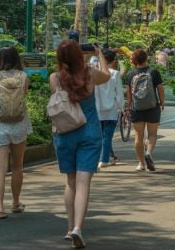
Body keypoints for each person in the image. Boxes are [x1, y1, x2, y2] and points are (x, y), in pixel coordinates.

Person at [50, 40, 111, 249]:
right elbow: (108, 74)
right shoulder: (90, 73)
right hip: (90, 132)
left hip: (66, 132)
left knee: (70, 182)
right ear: (79, 56)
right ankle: (78, 228)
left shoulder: (55, 78)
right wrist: (99, 53)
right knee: (84, 183)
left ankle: (68, 228)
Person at [0, 46, 31, 219]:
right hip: (19, 123)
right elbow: (24, 93)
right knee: (17, 166)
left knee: (0, 168)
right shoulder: (23, 76)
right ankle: (16, 202)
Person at [124, 49, 164, 172]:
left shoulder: (130, 74)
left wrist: (129, 106)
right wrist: (162, 102)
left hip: (137, 108)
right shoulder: (153, 72)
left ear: (135, 60)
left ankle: (141, 163)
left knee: (138, 136)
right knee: (152, 134)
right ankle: (148, 153)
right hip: (152, 107)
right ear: (146, 58)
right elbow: (160, 88)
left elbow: (128, 93)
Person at [94, 48, 124, 170]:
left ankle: (96, 160)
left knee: (97, 137)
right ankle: (104, 160)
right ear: (112, 61)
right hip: (111, 110)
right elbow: (119, 93)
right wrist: (121, 107)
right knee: (107, 137)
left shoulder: (95, 72)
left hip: (97, 109)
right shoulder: (115, 73)